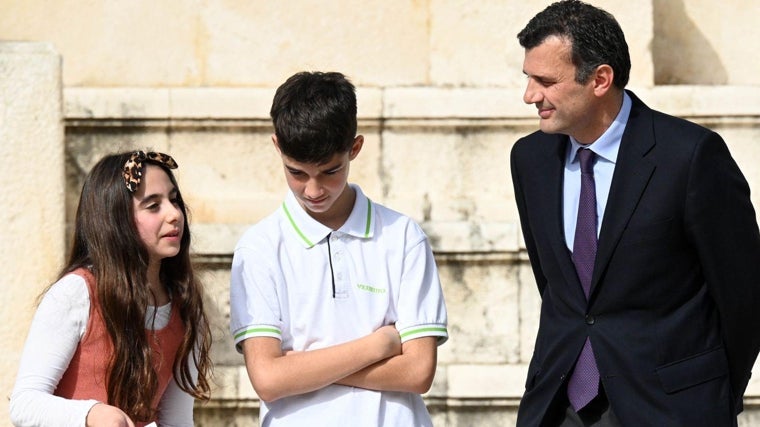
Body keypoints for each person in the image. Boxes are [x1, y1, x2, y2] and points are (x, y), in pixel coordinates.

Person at [510, 1, 760, 426]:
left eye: (546, 81)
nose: (531, 95)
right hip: (560, 406)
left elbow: (745, 297)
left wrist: (711, 395)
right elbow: (559, 287)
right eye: (528, 79)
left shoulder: (690, 156)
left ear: (600, 79)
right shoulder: (530, 159)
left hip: (671, 410)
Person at [229, 71, 448, 426]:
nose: (313, 190)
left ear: (355, 149)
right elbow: (267, 380)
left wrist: (299, 367)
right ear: (277, 146)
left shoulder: (403, 236)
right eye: (297, 173)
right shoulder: (259, 247)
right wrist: (379, 346)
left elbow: (419, 372)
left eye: (330, 171)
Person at [9, 151, 214, 427]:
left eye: (174, 200)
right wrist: (91, 414)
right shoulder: (77, 293)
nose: (174, 214)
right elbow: (24, 404)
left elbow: (176, 420)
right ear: (117, 220)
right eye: (153, 206)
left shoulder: (185, 309)